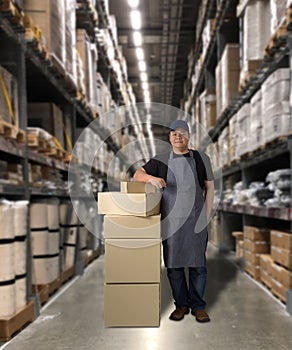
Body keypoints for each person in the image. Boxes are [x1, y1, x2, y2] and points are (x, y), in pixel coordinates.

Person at [134, 120, 214, 323]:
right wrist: (150, 179)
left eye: (182, 133)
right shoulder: (160, 160)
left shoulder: (201, 158)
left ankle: (198, 306)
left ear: (188, 136)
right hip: (170, 222)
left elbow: (209, 188)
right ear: (169, 137)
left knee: (198, 266)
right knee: (174, 266)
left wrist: (206, 214)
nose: (178, 136)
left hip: (196, 219)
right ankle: (181, 305)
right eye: (174, 133)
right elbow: (137, 174)